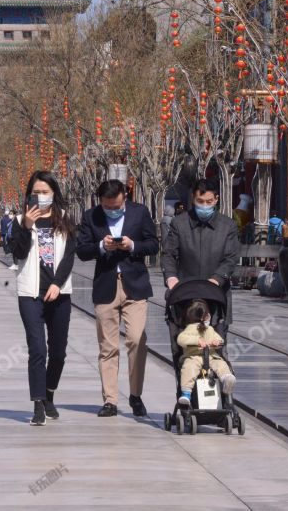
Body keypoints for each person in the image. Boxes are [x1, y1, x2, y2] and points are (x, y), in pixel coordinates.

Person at [76, 179, 159, 418]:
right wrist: (101, 247)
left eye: (117, 206)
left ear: (125, 196)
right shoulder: (90, 216)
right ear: (100, 201)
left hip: (135, 286)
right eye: (107, 206)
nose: (112, 210)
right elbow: (81, 251)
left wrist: (133, 246)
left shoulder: (140, 212)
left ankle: (135, 394)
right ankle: (110, 400)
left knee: (136, 340)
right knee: (108, 347)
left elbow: (153, 245)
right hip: (106, 286)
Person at [11, 170, 76, 426]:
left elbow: (70, 256)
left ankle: (49, 393)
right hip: (30, 293)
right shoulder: (19, 221)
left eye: (45, 192)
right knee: (38, 349)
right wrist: (26, 226)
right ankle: (37, 403)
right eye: (36, 193)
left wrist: (58, 284)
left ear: (54, 194)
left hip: (59, 294)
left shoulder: (65, 220)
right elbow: (16, 253)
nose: (40, 197)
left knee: (58, 352)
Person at [161, 178, 241, 319]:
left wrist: (217, 279)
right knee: (184, 339)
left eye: (209, 202)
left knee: (215, 339)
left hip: (217, 296)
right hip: (184, 294)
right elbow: (168, 253)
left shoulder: (227, 226)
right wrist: (171, 277)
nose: (204, 206)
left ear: (216, 199)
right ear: (193, 199)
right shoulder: (179, 223)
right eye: (200, 201)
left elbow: (231, 258)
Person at [177, 299, 235, 405]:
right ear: (205, 317)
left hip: (211, 356)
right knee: (189, 368)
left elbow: (219, 339)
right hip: (193, 356)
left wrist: (217, 341)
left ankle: (227, 378)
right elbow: (181, 339)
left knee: (221, 364)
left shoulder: (210, 329)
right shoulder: (190, 329)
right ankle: (186, 392)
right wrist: (197, 341)